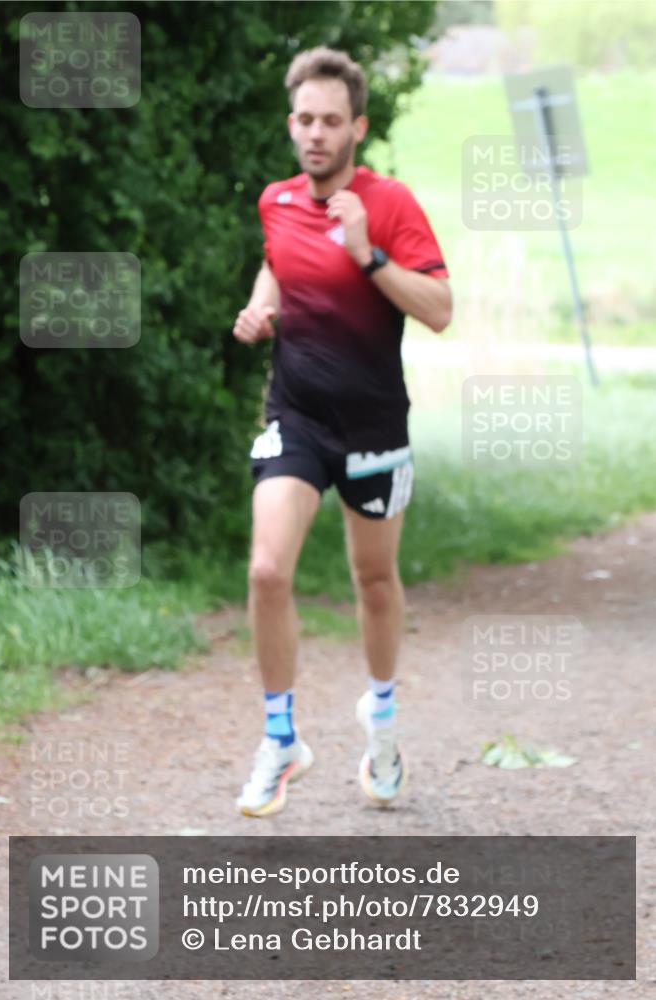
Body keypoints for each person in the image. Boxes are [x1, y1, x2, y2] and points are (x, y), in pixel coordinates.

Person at [232, 46, 451, 817]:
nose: (315, 133)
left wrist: (367, 255)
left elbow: (437, 310)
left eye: (331, 120)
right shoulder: (277, 200)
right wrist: (264, 306)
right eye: (304, 119)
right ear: (290, 124)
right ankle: (280, 735)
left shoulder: (388, 204)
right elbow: (278, 263)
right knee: (266, 571)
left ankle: (381, 723)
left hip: (374, 427)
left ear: (357, 126)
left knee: (373, 581)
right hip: (294, 419)